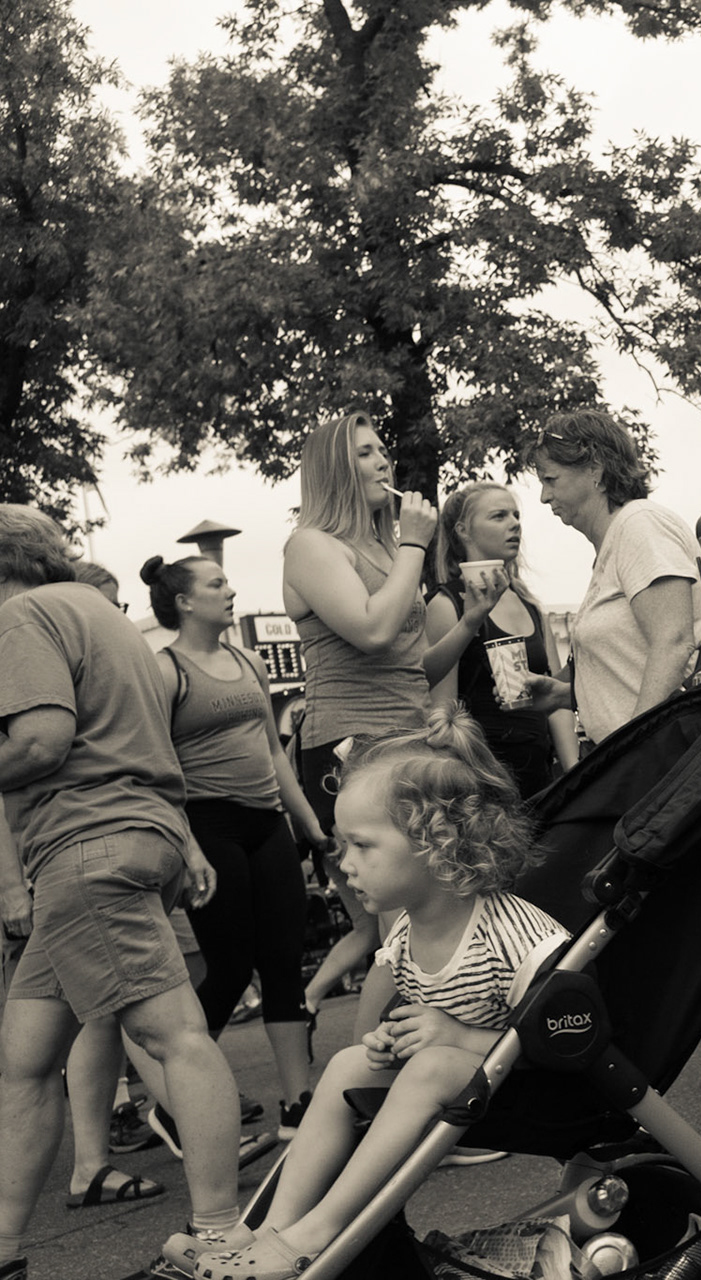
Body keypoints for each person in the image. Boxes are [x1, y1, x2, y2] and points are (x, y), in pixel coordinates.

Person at [163, 710, 569, 1279]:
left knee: (429, 1068)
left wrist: (458, 1037)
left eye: (360, 845)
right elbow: (421, 1024)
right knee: (354, 1060)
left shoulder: (509, 930)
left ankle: (319, 1231)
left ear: (437, 842)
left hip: (540, 1089)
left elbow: (567, 1032)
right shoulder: (404, 933)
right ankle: (270, 1233)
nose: (344, 865)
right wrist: (389, 1039)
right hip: (471, 1081)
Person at [0, 506, 242, 1278]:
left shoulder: (21, 616)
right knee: (29, 1058)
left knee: (176, 1037)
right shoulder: (102, 614)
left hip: (85, 848)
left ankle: (221, 1237)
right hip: (135, 838)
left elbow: (41, 740)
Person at [284, 411, 502, 1016]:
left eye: (383, 448)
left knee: (432, 907)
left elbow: (412, 668)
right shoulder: (311, 545)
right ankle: (379, 1068)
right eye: (364, 453)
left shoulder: (383, 549)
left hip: (405, 741)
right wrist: (413, 544)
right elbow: (374, 632)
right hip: (349, 747)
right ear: (334, 469)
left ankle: (424, 1048)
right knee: (400, 922)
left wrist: (470, 620)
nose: (384, 460)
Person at [140, 553, 330, 1143]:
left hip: (266, 822)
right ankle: (175, 1103)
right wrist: (188, 846)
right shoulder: (166, 671)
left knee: (283, 962)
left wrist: (314, 830)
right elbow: (157, 769)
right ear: (183, 602)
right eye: (216, 583)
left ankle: (299, 1106)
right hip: (207, 825)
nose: (230, 590)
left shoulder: (248, 661)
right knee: (228, 967)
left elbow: (274, 755)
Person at [526, 409, 701, 748]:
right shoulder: (616, 539)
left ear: (595, 471)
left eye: (551, 480)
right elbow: (631, 668)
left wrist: (631, 751)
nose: (544, 497)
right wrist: (565, 694)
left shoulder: (640, 524)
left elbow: (675, 641)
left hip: (659, 758)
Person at [425, 483, 578, 801]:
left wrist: (573, 774)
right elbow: (442, 711)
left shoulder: (531, 605)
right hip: (480, 784)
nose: (514, 523)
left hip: (539, 780)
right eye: (498, 516)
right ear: (464, 531)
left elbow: (554, 702)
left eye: (516, 515)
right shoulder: (447, 603)